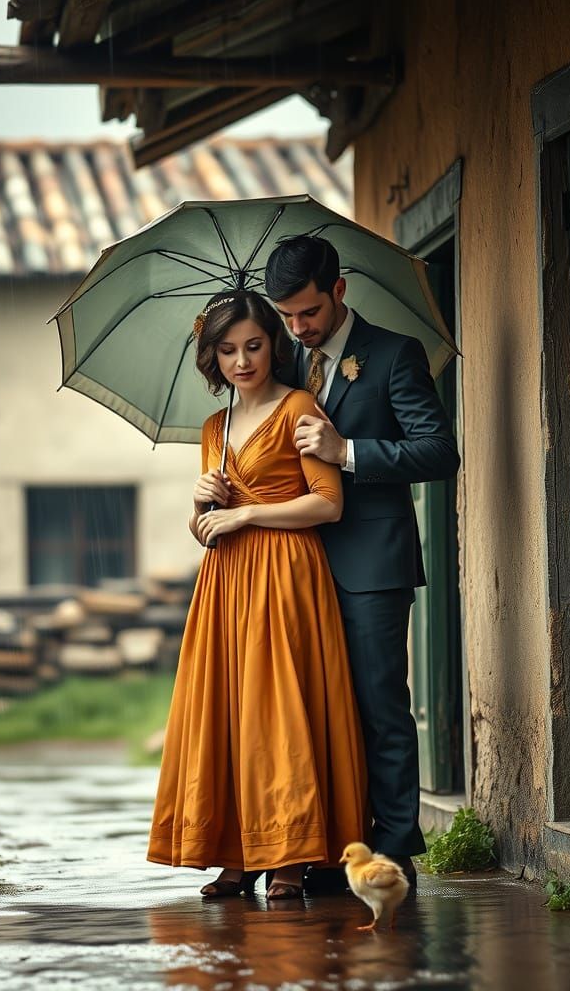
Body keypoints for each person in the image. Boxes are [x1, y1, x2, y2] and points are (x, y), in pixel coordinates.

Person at [147, 288, 368, 900]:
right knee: (230, 709)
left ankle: (291, 854)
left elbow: (328, 503)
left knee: (278, 709)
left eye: (253, 345)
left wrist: (248, 516)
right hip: (226, 584)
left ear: (274, 343)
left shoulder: (300, 407)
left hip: (287, 575)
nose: (242, 361)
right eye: (228, 350)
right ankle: (238, 853)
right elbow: (206, 531)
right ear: (211, 357)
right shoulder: (213, 428)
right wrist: (200, 507)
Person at [264, 234, 460, 890]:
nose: (298, 327)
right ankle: (328, 845)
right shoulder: (283, 363)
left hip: (373, 561)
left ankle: (395, 846)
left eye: (308, 312)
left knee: (379, 702)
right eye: (287, 316)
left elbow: (438, 452)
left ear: (339, 290)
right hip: (298, 561)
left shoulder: (394, 356)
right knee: (316, 706)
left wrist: (348, 450)